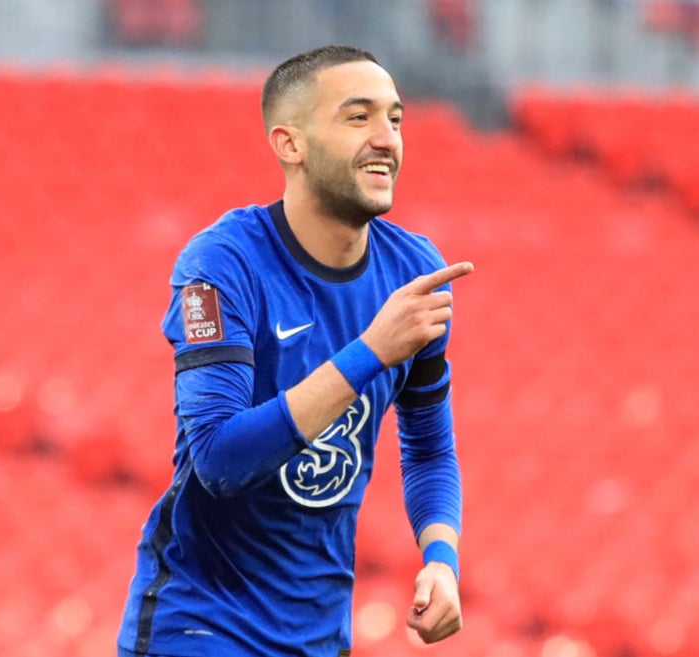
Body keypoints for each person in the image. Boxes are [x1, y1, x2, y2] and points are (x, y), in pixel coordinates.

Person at [117, 44, 473, 657]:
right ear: (290, 144)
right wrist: (368, 351)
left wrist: (441, 557)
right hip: (202, 625)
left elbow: (430, 448)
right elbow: (219, 460)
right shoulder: (220, 266)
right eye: (358, 117)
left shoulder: (414, 272)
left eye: (395, 118)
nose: (386, 137)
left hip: (319, 635)